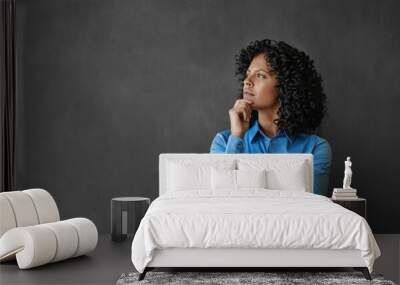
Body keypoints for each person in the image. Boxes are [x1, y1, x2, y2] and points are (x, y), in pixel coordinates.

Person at [210, 39, 331, 196]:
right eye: (247, 74)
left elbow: (315, 208)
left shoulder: (315, 148)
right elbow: (221, 201)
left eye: (260, 75)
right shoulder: (224, 142)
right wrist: (237, 137)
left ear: (286, 86)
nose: (247, 81)